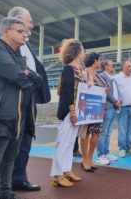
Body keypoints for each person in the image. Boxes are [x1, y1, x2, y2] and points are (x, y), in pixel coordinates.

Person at [0, 7, 50, 196]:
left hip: (28, 96)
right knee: (1, 148)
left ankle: (18, 178)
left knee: (24, 140)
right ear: (14, 21)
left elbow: (32, 72)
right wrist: (28, 76)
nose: (31, 25)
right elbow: (15, 72)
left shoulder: (25, 43)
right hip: (10, 98)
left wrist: (32, 78)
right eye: (28, 21)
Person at [0, 17, 39, 199]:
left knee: (9, 160)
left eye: (26, 32)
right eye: (20, 31)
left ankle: (5, 193)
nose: (25, 35)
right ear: (6, 31)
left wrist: (27, 74)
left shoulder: (16, 54)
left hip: (17, 118)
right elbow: (17, 76)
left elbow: (36, 79)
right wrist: (27, 75)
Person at [50, 39, 84, 187]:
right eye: (82, 50)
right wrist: (72, 111)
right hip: (68, 112)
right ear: (77, 52)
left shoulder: (79, 70)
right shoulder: (68, 69)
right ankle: (57, 175)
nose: (84, 53)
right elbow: (66, 92)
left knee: (70, 143)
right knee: (63, 143)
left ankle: (66, 170)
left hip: (77, 111)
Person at [79, 52, 109, 170]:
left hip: (98, 109)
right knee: (85, 135)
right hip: (87, 109)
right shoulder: (84, 73)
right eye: (99, 60)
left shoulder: (98, 76)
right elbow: (81, 88)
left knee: (95, 134)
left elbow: (100, 89)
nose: (100, 62)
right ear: (95, 61)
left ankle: (90, 159)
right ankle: (84, 159)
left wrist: (104, 90)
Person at [114, 61, 131, 158]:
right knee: (122, 129)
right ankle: (122, 149)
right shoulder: (117, 78)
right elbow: (114, 93)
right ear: (123, 67)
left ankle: (129, 148)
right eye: (128, 66)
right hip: (123, 108)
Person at [96, 60, 121, 165]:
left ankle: (106, 152)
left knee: (108, 133)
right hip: (107, 107)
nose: (114, 66)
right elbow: (107, 92)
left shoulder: (112, 78)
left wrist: (118, 101)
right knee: (103, 133)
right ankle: (100, 155)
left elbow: (115, 91)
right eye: (112, 65)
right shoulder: (101, 76)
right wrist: (115, 101)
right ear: (105, 66)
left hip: (113, 107)